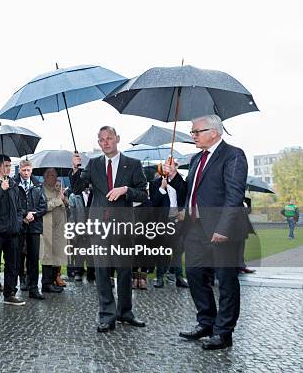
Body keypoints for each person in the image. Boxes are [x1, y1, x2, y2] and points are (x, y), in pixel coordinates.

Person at [163, 114, 249, 351]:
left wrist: (223, 228)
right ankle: (206, 322)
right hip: (196, 228)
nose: (192, 136)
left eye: (196, 131)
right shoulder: (195, 159)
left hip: (223, 229)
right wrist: (174, 178)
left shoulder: (233, 155)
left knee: (226, 281)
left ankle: (224, 332)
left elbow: (234, 196)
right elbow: (188, 193)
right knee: (194, 274)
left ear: (214, 132)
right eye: (192, 132)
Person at [70, 126, 148, 333]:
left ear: (118, 139)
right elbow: (77, 189)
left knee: (124, 271)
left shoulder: (133, 164)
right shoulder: (93, 164)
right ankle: (107, 315)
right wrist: (76, 170)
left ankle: (125, 312)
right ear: (99, 143)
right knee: (102, 271)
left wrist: (126, 190)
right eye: (102, 140)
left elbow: (143, 193)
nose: (105, 142)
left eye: (109, 138)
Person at [0, 155, 26, 308]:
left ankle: (10, 293)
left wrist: (19, 222)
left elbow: (20, 207)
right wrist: (1, 190)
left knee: (12, 264)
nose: (8, 168)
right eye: (6, 165)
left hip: (13, 231)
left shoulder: (14, 184)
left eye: (9, 165)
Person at [13, 160, 47, 299]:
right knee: (17, 256)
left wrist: (34, 214)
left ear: (31, 170)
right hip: (20, 225)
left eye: (28, 170)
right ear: (20, 170)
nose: (26, 173)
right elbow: (13, 204)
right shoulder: (14, 183)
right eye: (24, 170)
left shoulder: (38, 185)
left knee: (33, 258)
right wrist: (24, 215)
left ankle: (33, 288)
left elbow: (43, 206)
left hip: (34, 226)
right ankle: (15, 285)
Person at [149, 171, 188, 289]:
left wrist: (184, 211)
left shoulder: (180, 182)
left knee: (178, 249)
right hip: (163, 222)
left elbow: (186, 197)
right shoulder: (155, 183)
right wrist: (162, 188)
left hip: (178, 221)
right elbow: (153, 203)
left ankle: (179, 277)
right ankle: (160, 277)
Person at [40, 168, 68, 294]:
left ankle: (52, 281)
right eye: (51, 175)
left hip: (58, 229)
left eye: (56, 175)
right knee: (48, 256)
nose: (54, 178)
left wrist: (64, 199)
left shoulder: (56, 189)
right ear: (45, 177)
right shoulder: (41, 190)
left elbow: (64, 206)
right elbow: (44, 206)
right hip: (47, 227)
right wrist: (58, 200)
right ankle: (46, 284)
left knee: (56, 255)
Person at [68, 186, 95, 282]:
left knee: (91, 252)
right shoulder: (75, 196)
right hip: (80, 227)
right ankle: (78, 272)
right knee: (79, 250)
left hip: (92, 227)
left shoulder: (95, 194)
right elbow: (72, 214)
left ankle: (91, 273)